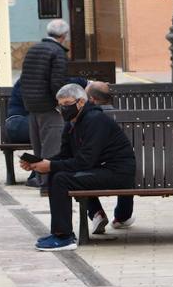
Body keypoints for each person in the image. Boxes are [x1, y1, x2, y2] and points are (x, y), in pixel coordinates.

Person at [20, 83, 136, 251]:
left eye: (67, 104)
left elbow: (84, 161)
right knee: (57, 174)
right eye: (60, 105)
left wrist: (51, 166)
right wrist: (38, 163)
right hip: (99, 169)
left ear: (81, 102)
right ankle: (60, 233)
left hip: (117, 173)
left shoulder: (95, 120)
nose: (63, 109)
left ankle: (64, 237)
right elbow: (65, 156)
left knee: (61, 179)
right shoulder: (72, 122)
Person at [20, 19, 70, 191]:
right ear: (64, 35)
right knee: (52, 146)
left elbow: (24, 79)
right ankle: (49, 185)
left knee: (38, 146)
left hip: (32, 106)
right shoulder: (57, 53)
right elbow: (58, 84)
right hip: (49, 106)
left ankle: (41, 181)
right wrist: (62, 104)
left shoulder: (33, 49)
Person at [81, 81, 135, 233]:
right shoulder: (127, 117)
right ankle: (122, 217)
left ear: (92, 99)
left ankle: (96, 213)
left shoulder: (87, 119)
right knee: (126, 169)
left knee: (78, 173)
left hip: (97, 172)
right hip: (132, 172)